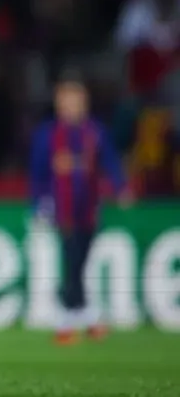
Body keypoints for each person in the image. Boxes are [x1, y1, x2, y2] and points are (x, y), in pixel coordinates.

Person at [29, 72, 132, 345]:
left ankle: (79, 314)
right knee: (73, 259)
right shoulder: (47, 135)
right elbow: (37, 174)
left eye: (78, 101)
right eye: (68, 101)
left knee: (80, 261)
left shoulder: (95, 132)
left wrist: (121, 187)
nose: (74, 106)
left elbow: (110, 160)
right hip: (61, 209)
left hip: (89, 207)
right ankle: (72, 318)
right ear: (59, 105)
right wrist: (37, 205)